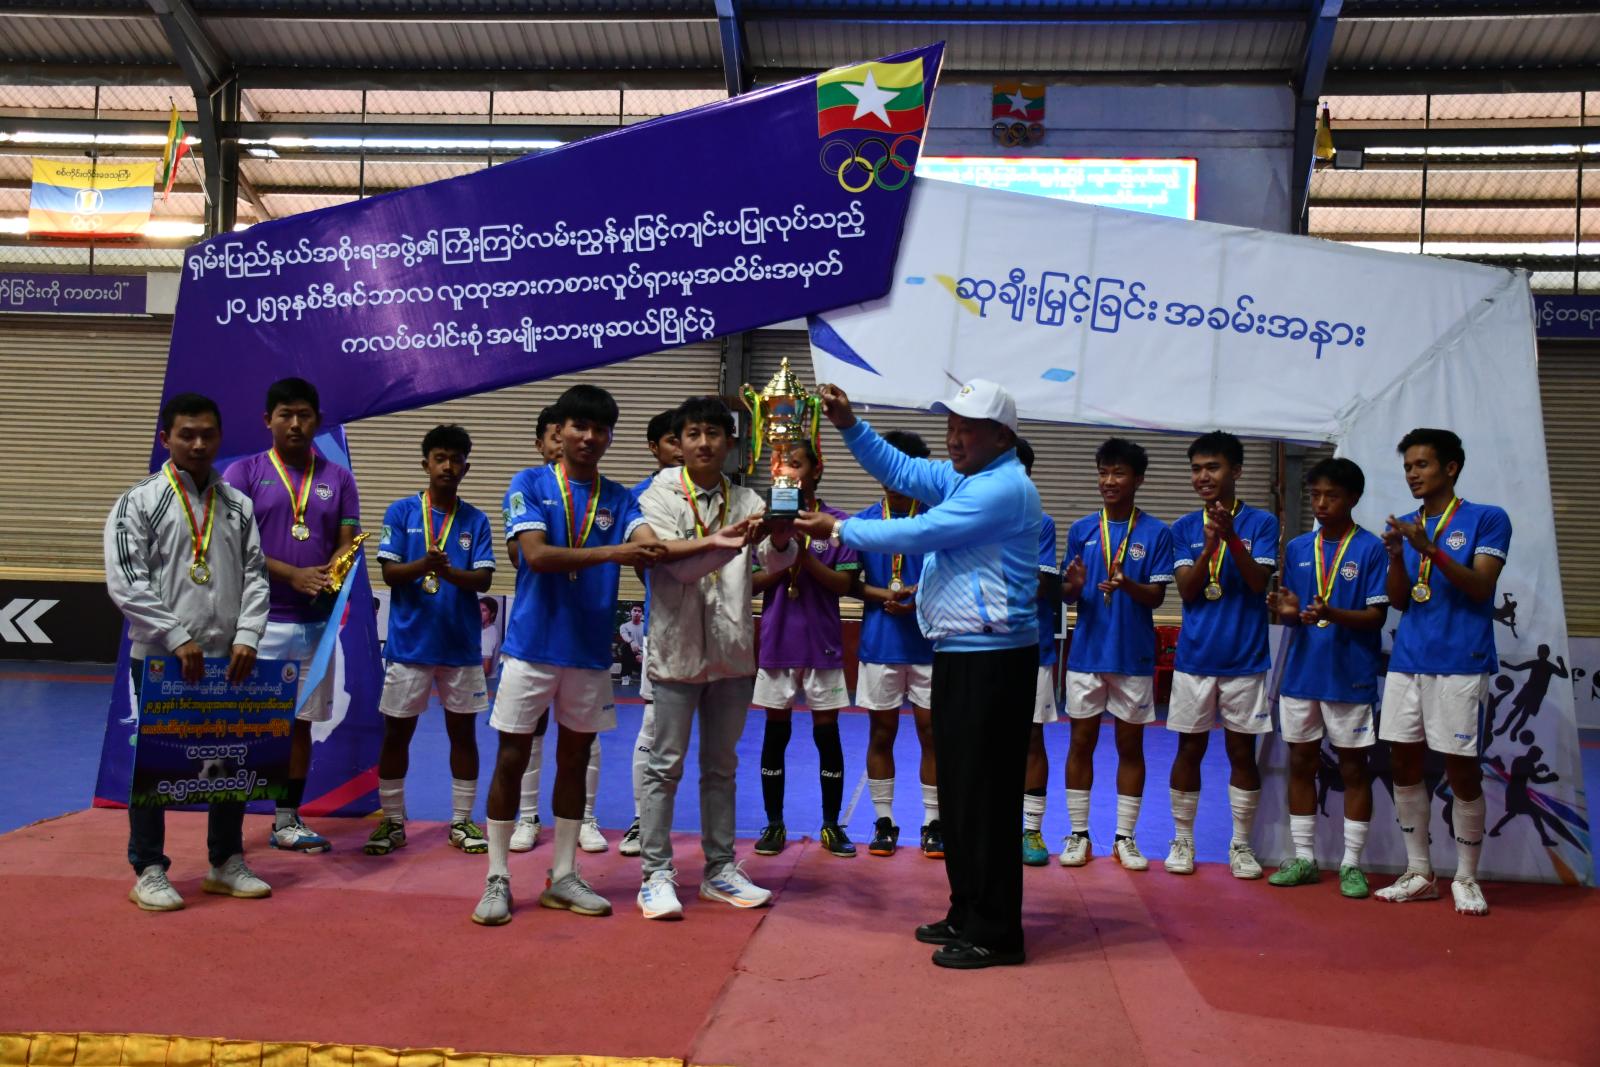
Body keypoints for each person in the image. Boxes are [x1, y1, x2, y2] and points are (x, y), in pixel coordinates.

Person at [796, 379, 1040, 970]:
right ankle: (967, 909)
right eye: (950, 426)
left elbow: (922, 532)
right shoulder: (968, 477)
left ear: (1002, 437)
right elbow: (902, 469)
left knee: (985, 797)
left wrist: (839, 529)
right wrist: (849, 423)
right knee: (960, 792)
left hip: (994, 660)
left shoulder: (1003, 488)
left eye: (967, 429)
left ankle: (997, 934)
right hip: (959, 652)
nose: (954, 438)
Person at [473, 385, 666, 925]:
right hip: (531, 647)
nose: (589, 437)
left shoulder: (620, 498)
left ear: (610, 438)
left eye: (601, 429)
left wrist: (714, 542)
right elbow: (535, 555)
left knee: (575, 761)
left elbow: (648, 543)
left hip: (587, 652)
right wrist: (618, 551)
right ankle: (497, 877)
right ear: (559, 431)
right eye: (580, 426)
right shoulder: (530, 483)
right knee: (511, 758)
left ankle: (563, 875)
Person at [107, 392, 273, 910]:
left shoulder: (238, 505)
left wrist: (248, 634)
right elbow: (127, 580)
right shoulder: (139, 501)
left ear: (220, 437)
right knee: (155, 764)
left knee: (230, 759)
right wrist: (176, 636)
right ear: (166, 439)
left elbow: (256, 575)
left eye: (207, 434)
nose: (198, 444)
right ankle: (149, 869)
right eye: (187, 434)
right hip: (162, 658)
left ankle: (225, 862)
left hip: (228, 659)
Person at [635, 396, 794, 919]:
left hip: (731, 653)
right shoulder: (658, 494)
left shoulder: (748, 500)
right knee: (664, 766)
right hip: (676, 650)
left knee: (721, 767)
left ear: (731, 443)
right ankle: (655, 875)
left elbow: (774, 564)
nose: (704, 443)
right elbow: (675, 567)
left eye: (714, 434)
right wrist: (728, 541)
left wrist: (782, 535)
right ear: (678, 443)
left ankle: (720, 869)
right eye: (694, 434)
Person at [1376, 428, 1511, 916]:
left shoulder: (1487, 519)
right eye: (1408, 467)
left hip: (1460, 661)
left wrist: (1430, 548)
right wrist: (1397, 556)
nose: (1413, 474)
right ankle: (1420, 873)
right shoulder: (1408, 525)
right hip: (1408, 660)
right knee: (1403, 764)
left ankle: (1467, 877)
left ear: (1450, 468)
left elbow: (1480, 586)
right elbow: (1399, 600)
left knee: (1460, 767)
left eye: (1422, 465)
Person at [222, 377, 360, 854]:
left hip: (316, 625)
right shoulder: (243, 473)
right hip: (260, 622)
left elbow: (347, 541)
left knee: (300, 723)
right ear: (268, 420)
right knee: (249, 724)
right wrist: (293, 575)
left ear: (317, 421)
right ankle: (229, 826)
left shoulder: (338, 478)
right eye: (286, 415)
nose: (295, 423)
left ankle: (287, 820)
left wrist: (329, 573)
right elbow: (234, 546)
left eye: (304, 415)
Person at [366, 425, 497, 857]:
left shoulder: (475, 520)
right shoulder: (402, 512)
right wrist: (425, 564)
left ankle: (461, 821)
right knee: (396, 735)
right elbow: (389, 573)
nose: (448, 466)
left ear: (466, 467)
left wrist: (445, 571)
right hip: (410, 645)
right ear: (426, 463)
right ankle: (392, 821)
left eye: (456, 459)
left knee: (464, 735)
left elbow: (483, 579)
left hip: (460, 647)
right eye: (440, 458)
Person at [1265, 458, 1388, 898]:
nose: (1320, 503)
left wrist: (1332, 613)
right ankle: (1304, 858)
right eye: (1315, 494)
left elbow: (1376, 617)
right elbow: (1293, 613)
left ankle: (1352, 865)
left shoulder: (1371, 549)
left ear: (1353, 498)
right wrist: (1286, 614)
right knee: (1301, 763)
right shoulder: (1299, 547)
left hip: (1349, 676)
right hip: (1302, 675)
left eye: (1331, 495)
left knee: (1353, 768)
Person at [1057, 438, 1175, 870]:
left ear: (1138, 479)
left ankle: (1125, 837)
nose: (1109, 481)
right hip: (1087, 654)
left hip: (1132, 656)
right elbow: (1068, 593)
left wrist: (1128, 585)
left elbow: (1157, 597)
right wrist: (1071, 586)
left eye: (1119, 473)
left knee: (1131, 746)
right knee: (1080, 743)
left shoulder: (1156, 532)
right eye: (1103, 472)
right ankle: (1079, 835)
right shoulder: (1082, 529)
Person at [1165, 430, 1278, 878]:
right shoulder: (1183, 528)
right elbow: (1188, 590)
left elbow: (1257, 584)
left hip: (1245, 658)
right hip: (1195, 658)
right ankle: (1183, 840)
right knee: (1188, 749)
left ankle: (1241, 845)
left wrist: (1230, 538)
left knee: (1241, 752)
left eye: (1212, 467)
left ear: (1237, 471)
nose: (1203, 476)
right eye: (1196, 469)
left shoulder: (1262, 524)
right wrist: (1211, 544)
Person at [752, 438, 860, 858]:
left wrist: (804, 559)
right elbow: (753, 582)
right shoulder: (765, 521)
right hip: (778, 639)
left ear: (817, 469)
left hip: (822, 642)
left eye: (795, 464)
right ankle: (774, 823)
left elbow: (844, 584)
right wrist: (781, 549)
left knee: (827, 734)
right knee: (775, 733)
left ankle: (831, 824)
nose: (787, 472)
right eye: (780, 465)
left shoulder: (837, 524)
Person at [852, 430, 942, 859]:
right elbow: (850, 583)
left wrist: (918, 598)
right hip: (881, 643)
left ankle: (934, 822)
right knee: (881, 732)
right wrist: (882, 595)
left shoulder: (939, 520)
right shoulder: (865, 522)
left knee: (933, 734)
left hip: (931, 645)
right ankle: (884, 822)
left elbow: (954, 576)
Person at [509, 404, 575, 854]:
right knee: (529, 729)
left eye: (564, 433)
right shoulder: (527, 487)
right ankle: (527, 816)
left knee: (580, 733)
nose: (560, 442)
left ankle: (585, 818)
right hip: (536, 628)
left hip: (581, 630)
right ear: (540, 443)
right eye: (553, 435)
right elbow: (522, 555)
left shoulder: (600, 493)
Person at [620, 407, 684, 858]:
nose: (682, 448)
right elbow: (644, 559)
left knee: (717, 739)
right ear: (653, 447)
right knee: (653, 725)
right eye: (672, 440)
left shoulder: (720, 491)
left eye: (689, 437)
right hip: (664, 624)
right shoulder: (638, 498)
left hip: (716, 627)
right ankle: (642, 821)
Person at [1012, 438, 1063, 867]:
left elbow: (1042, 585)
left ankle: (1030, 829)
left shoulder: (1041, 523)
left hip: (1031, 648)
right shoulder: (974, 517)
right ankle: (988, 824)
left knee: (1031, 736)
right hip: (980, 647)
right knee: (983, 738)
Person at [618, 605, 645, 685]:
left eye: (639, 611)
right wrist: (632, 642)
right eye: (635, 610)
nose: (637, 613)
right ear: (631, 612)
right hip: (631, 656)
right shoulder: (624, 626)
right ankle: (625, 676)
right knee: (625, 646)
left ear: (642, 614)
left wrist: (643, 655)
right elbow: (624, 636)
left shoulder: (646, 627)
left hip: (644, 657)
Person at [479, 597, 501, 680]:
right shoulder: (490, 630)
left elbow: (486, 670)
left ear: (492, 614)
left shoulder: (488, 634)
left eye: (484, 610)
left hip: (486, 681)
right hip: (489, 681)